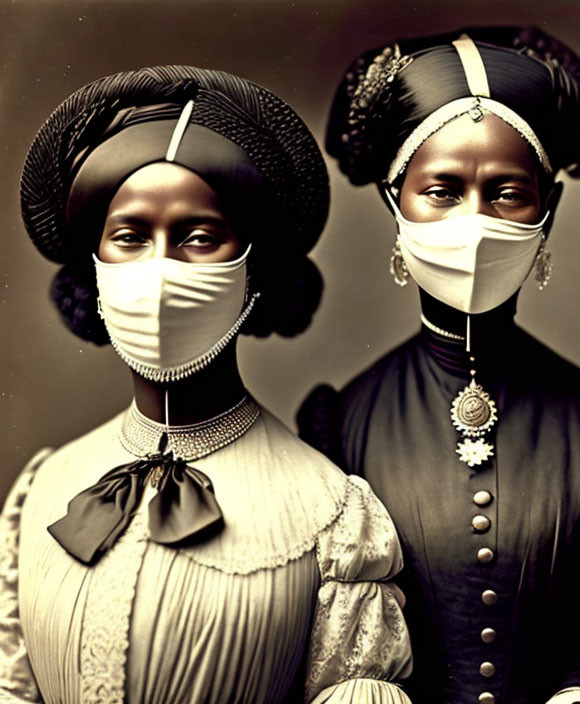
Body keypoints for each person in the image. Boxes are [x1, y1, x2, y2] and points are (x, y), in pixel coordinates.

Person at [0, 65, 414, 704]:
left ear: (252, 273)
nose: (161, 268)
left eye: (198, 237)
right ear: (95, 268)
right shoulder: (44, 486)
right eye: (131, 237)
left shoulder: (328, 512)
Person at [298, 26, 580, 704]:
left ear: (547, 206)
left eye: (507, 192)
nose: (475, 221)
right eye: (443, 190)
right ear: (396, 205)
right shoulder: (343, 423)